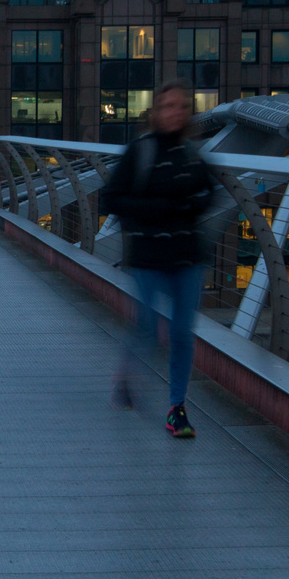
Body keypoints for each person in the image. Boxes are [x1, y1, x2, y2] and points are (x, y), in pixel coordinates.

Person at [101, 80, 213, 438]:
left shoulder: (193, 153)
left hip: (186, 255)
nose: (175, 113)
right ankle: (125, 377)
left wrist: (194, 203)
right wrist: (157, 208)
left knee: (182, 334)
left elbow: (209, 193)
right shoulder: (141, 151)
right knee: (148, 327)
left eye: (182, 107)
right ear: (156, 112)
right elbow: (111, 199)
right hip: (148, 255)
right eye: (168, 106)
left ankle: (177, 408)